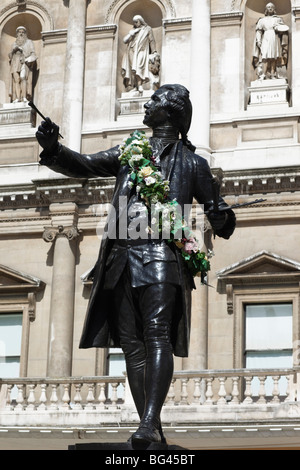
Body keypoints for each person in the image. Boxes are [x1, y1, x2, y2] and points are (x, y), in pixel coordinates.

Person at [35, 84, 235, 448]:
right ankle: (151, 428)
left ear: (171, 112)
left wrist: (222, 216)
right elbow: (86, 164)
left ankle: (147, 425)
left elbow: (220, 217)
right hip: (121, 256)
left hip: (161, 254)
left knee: (156, 334)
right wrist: (52, 149)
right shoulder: (130, 153)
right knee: (130, 344)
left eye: (155, 100)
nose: (147, 103)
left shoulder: (193, 164)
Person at [122, 15, 158, 93]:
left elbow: (151, 40)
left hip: (142, 50)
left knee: (139, 67)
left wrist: (154, 51)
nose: (135, 23)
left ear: (141, 21)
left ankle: (140, 85)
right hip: (131, 50)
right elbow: (124, 41)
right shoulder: (133, 30)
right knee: (133, 69)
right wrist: (132, 33)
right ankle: (136, 86)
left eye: (136, 21)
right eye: (134, 22)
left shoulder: (147, 29)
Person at [253, 2, 289, 80]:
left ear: (274, 9)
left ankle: (273, 74)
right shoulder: (262, 20)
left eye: (271, 7)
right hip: (266, 36)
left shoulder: (278, 19)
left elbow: (283, 29)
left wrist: (280, 29)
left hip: (274, 37)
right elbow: (259, 31)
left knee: (273, 56)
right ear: (266, 9)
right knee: (264, 56)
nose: (270, 8)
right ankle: (263, 74)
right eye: (268, 7)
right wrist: (258, 41)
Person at [8, 26, 37, 103]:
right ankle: (18, 98)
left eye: (22, 32)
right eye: (19, 32)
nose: (21, 34)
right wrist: (14, 50)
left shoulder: (29, 42)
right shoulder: (13, 44)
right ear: (17, 34)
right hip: (15, 62)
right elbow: (10, 56)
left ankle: (24, 97)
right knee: (16, 80)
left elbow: (33, 53)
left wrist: (22, 50)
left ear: (25, 34)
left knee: (23, 77)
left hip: (24, 61)